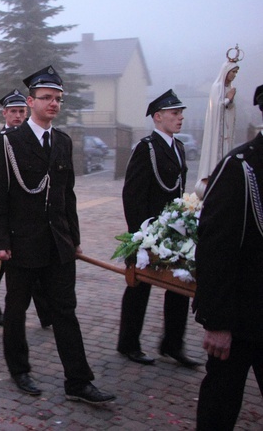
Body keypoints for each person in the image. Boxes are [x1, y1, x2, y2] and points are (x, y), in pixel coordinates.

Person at [0, 66, 114, 404]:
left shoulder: (63, 141)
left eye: (58, 98)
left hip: (58, 243)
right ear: (30, 102)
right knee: (16, 309)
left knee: (65, 311)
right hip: (21, 242)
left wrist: (74, 236)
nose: (53, 103)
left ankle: (78, 381)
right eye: (46, 98)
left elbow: (66, 194)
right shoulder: (8, 142)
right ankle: (19, 369)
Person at [193, 85, 263, 431]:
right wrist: (216, 322)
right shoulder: (240, 168)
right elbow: (214, 249)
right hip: (241, 320)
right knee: (220, 405)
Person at [117, 90, 200, 368]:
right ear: (158, 116)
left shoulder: (178, 147)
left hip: (175, 231)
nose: (180, 118)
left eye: (180, 113)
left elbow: (178, 190)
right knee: (139, 285)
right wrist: (140, 235)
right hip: (149, 230)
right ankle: (128, 343)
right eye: (175, 113)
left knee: (179, 284)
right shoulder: (147, 148)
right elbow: (132, 193)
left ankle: (173, 344)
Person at [0, 89, 51, 328]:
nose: (18, 116)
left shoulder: (31, 138)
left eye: (22, 111)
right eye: (14, 111)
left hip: (28, 216)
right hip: (5, 216)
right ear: (5, 114)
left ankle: (45, 313)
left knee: (36, 268)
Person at [195, 48, 242, 198]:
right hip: (217, 133)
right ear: (225, 71)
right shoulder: (216, 87)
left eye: (236, 72)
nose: (234, 75)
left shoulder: (229, 88)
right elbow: (216, 108)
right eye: (232, 72)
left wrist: (230, 100)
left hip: (226, 133)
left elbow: (229, 109)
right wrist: (228, 99)